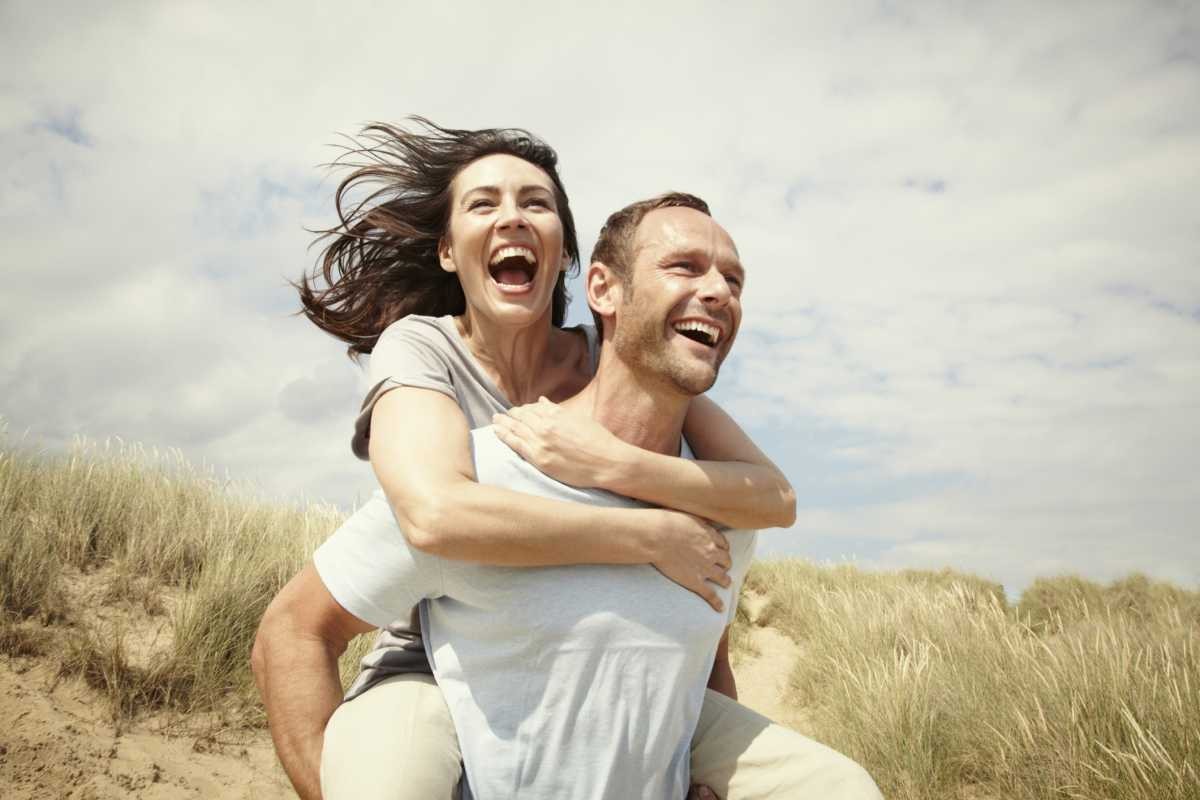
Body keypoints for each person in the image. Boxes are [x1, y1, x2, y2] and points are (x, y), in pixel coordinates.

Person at [252, 121, 878, 799]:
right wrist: (648, 536)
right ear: (445, 252)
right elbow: (434, 515)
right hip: (431, 648)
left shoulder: (617, 364)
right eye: (484, 204)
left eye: (537, 204)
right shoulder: (424, 354)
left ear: (569, 261)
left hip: (616, 683)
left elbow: (761, 514)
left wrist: (611, 464)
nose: (513, 217)